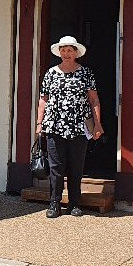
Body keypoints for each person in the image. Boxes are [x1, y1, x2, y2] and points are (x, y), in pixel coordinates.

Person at [36, 35, 103, 218]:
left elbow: (94, 99)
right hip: (54, 125)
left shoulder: (86, 73)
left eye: (70, 50)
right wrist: (39, 123)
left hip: (79, 126)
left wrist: (97, 124)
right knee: (56, 166)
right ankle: (54, 203)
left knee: (76, 166)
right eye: (63, 50)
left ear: (76, 53)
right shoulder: (51, 73)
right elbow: (43, 100)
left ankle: (74, 203)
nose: (66, 53)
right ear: (59, 52)